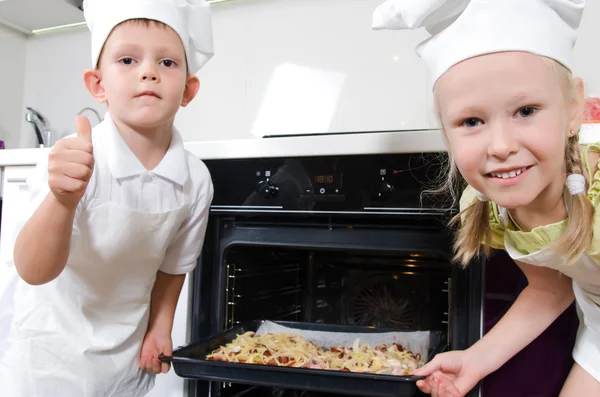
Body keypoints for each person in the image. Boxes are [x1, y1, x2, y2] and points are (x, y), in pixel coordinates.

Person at [372, 0, 600, 396]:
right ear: (445, 131)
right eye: (471, 121)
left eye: (526, 110)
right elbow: (550, 290)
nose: (500, 146)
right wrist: (476, 360)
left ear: (574, 108)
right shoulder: (493, 206)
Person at [0, 0, 214, 395]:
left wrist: (160, 327)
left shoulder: (195, 180)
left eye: (167, 63)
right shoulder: (72, 157)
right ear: (98, 85)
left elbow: (174, 264)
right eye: (128, 60)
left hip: (124, 365)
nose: (149, 71)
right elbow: (32, 270)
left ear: (188, 89)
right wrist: (61, 201)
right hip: (48, 362)